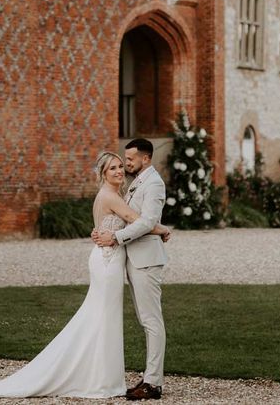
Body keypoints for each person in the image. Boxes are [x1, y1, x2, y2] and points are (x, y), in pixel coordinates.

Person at [0, 150, 170, 400]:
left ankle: (102, 376)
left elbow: (128, 221)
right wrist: (163, 229)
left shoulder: (116, 193)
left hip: (107, 258)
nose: (120, 171)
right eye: (113, 168)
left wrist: (118, 232)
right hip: (107, 262)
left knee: (101, 317)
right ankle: (99, 379)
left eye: (121, 166)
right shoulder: (110, 195)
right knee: (102, 317)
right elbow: (139, 221)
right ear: (102, 174)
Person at [93, 138, 167, 401]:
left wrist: (116, 237)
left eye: (130, 159)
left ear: (145, 159)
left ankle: (153, 383)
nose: (126, 164)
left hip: (145, 260)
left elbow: (146, 221)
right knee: (145, 321)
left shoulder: (154, 183)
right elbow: (131, 216)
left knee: (151, 321)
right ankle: (149, 377)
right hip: (133, 258)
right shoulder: (137, 182)